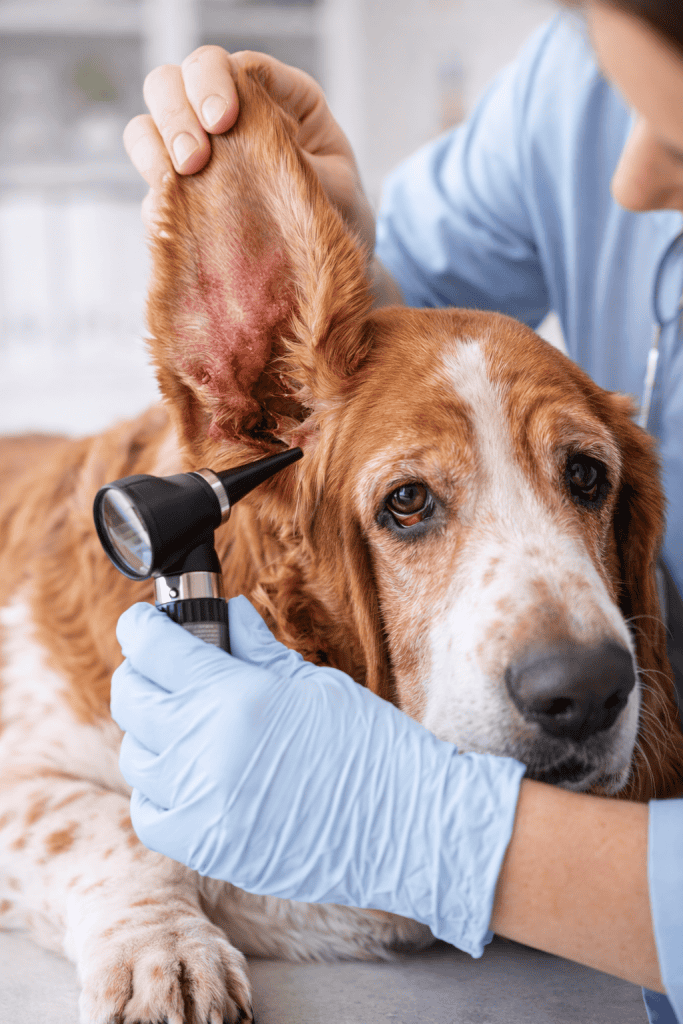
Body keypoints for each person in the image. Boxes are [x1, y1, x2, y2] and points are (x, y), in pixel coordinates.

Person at [112, 3, 683, 1022]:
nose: (631, 183)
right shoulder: (580, 70)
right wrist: (326, 267)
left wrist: (436, 835)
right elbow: (405, 368)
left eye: (680, 140)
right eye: (413, 505)